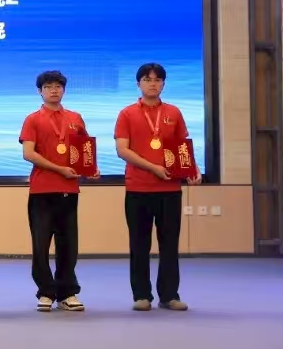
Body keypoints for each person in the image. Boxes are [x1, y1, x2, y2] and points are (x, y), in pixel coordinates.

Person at [114, 63, 200, 312]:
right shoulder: (127, 113)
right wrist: (153, 167)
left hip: (170, 189)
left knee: (169, 244)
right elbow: (122, 150)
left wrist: (192, 170)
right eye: (147, 79)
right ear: (138, 83)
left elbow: (182, 146)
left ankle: (169, 295)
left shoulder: (173, 112)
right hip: (138, 188)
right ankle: (142, 295)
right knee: (139, 244)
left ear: (163, 83)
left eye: (157, 80)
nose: (152, 84)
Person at [19, 70, 99, 313]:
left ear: (64, 89)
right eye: (48, 86)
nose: (54, 90)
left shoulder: (75, 118)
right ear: (40, 91)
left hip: (69, 190)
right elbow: (28, 153)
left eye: (58, 86)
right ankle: (46, 292)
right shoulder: (33, 119)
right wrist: (59, 169)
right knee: (41, 244)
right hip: (42, 190)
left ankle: (67, 292)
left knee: (68, 244)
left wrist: (91, 169)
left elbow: (85, 152)